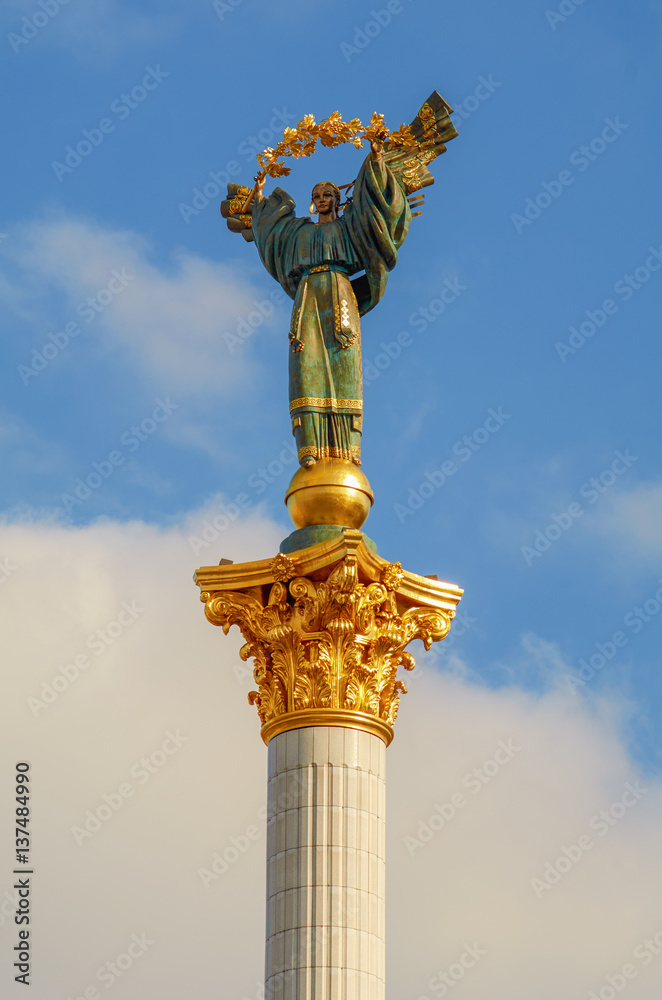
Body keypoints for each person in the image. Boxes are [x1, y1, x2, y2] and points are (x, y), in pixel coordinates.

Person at [251, 136, 411, 468]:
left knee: (344, 364)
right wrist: (259, 197)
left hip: (340, 295)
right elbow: (271, 232)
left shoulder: (349, 227)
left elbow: (375, 206)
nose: (322, 200)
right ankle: (309, 445)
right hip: (308, 295)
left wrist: (377, 160)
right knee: (304, 363)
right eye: (316, 197)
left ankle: (348, 446)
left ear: (337, 199)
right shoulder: (300, 233)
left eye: (328, 195)